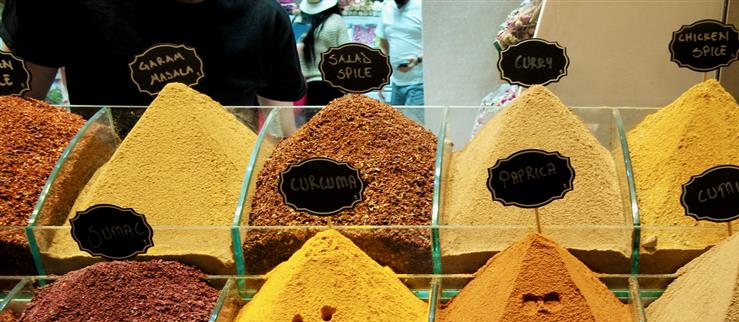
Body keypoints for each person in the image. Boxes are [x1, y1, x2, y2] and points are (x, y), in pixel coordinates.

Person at [0, 0, 305, 107]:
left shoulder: (265, 16)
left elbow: (278, 129)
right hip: (102, 207)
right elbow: (16, 114)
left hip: (226, 201)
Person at [297, 0, 350, 107]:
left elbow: (295, 51)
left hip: (305, 86)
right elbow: (346, 55)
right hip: (333, 84)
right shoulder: (336, 20)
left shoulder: (299, 20)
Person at [379, 0, 422, 110]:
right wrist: (381, 78)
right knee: (396, 120)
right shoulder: (387, 8)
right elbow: (384, 45)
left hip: (419, 83)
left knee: (413, 120)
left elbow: (436, 45)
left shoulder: (422, 7)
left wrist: (418, 59)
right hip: (396, 83)